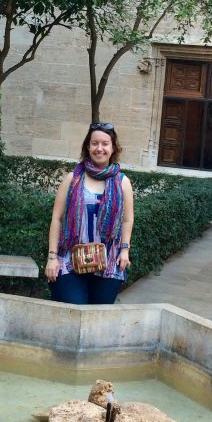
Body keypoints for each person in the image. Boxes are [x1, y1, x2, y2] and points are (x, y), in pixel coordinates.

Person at [45, 122, 134, 304]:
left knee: (97, 318)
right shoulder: (73, 179)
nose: (99, 148)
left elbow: (127, 220)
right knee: (74, 311)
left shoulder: (122, 182)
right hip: (70, 260)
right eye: (94, 143)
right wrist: (52, 258)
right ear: (88, 146)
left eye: (105, 143)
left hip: (109, 262)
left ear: (113, 147)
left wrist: (124, 251)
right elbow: (56, 218)